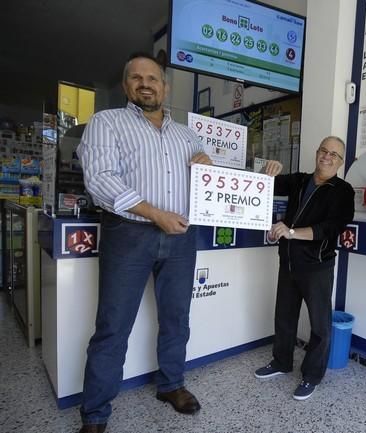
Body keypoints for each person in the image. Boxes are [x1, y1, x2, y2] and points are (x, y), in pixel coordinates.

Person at [76, 52, 282, 433]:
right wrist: (155, 214)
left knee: (176, 318)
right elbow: (101, 180)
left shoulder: (187, 135)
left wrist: (213, 168)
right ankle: (96, 412)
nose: (145, 83)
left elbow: (213, 189)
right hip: (129, 234)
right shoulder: (107, 122)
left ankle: (170, 385)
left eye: (152, 78)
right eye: (136, 78)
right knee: (112, 325)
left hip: (182, 237)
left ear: (164, 87)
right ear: (126, 86)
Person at [254, 136, 355, 401]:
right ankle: (281, 362)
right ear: (317, 152)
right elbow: (264, 184)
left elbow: (331, 228)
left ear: (340, 161)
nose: (327, 156)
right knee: (284, 316)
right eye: (324, 150)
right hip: (288, 260)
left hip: (317, 266)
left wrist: (292, 232)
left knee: (320, 325)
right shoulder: (300, 180)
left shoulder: (343, 191)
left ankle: (311, 376)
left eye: (334, 154)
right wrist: (268, 170)